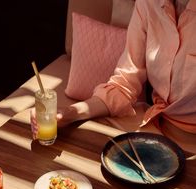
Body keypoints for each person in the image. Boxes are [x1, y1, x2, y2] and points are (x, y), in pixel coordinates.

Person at [31, 0, 196, 153]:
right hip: (153, 126)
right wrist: (67, 115)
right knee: (83, 146)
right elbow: (124, 85)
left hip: (191, 143)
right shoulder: (148, 4)